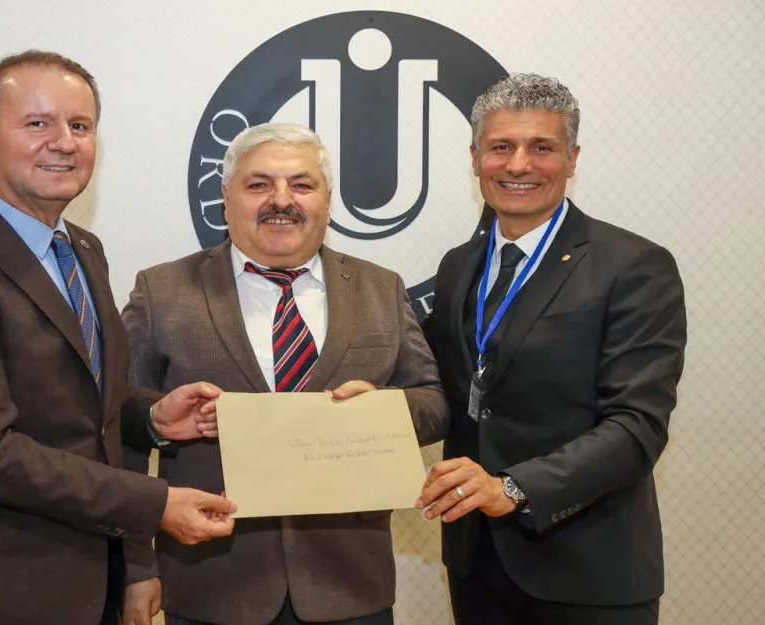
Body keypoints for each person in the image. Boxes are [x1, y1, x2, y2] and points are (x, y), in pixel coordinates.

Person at [0, 50, 236, 625]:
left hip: (91, 587)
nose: (64, 143)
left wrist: (149, 417)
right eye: (37, 123)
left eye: (80, 125)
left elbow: (84, 408)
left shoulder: (81, 250)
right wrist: (155, 504)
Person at [118, 122, 450, 625]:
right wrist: (135, 567)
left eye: (301, 184)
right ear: (226, 198)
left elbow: (433, 401)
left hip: (351, 588)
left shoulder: (381, 288)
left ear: (328, 201)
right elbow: (118, 423)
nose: (281, 200)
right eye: (258, 184)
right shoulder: (162, 291)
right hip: (210, 588)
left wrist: (381, 411)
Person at [417, 73, 686, 625]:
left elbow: (637, 427)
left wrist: (513, 488)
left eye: (542, 148)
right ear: (475, 158)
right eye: (501, 147)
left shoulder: (634, 266)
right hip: (476, 564)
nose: (519, 165)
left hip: (589, 572)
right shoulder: (457, 265)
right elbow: (440, 383)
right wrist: (370, 398)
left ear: (572, 158)